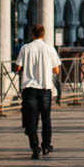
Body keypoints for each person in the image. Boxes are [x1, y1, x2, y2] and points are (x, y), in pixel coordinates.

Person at [16, 24, 60, 159]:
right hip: (45, 88)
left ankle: (35, 148)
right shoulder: (49, 49)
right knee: (46, 118)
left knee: (31, 120)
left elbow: (18, 67)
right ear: (43, 34)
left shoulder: (25, 48)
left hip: (30, 89)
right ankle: (46, 145)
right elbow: (56, 70)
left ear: (32, 34)